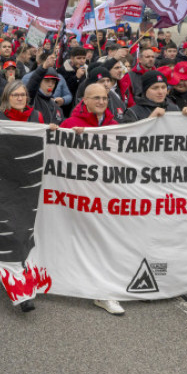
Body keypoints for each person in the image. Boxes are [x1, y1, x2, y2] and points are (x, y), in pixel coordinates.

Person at [60, 83, 125, 316]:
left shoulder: (113, 125)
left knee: (104, 242)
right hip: (77, 195)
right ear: (84, 100)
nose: (101, 102)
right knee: (78, 241)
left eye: (105, 98)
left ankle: (103, 292)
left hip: (105, 194)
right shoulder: (70, 125)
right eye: (96, 98)